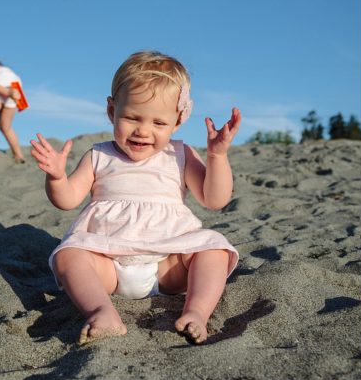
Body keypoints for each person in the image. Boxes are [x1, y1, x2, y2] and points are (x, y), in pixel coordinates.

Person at [31, 50, 240, 346]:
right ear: (111, 111)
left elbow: (214, 199)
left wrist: (217, 156)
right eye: (131, 117)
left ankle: (196, 312)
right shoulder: (99, 155)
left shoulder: (180, 153)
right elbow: (67, 199)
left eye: (159, 123)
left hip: (169, 263)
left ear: (177, 121)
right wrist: (56, 177)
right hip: (109, 263)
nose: (143, 130)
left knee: (214, 250)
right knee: (68, 254)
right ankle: (101, 311)